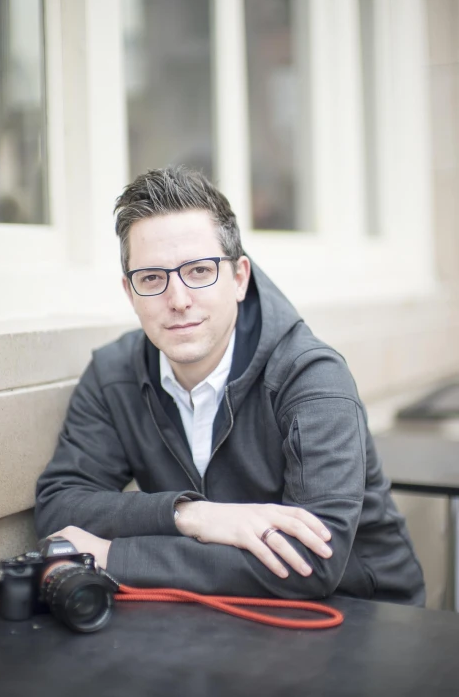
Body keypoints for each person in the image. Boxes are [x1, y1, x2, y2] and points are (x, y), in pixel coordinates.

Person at [35, 166, 425, 605]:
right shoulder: (113, 374)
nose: (178, 299)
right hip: (212, 615)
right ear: (130, 292)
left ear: (239, 278)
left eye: (199, 271)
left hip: (362, 616)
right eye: (152, 279)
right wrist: (191, 516)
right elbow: (60, 505)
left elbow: (311, 563)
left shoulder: (312, 376)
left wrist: (114, 556)